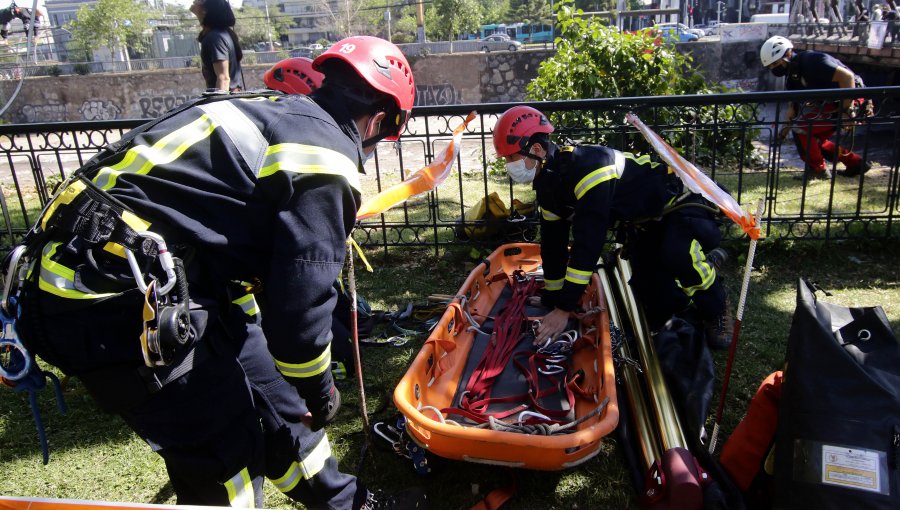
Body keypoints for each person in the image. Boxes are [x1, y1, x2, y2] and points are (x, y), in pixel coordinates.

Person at [8, 36, 424, 510]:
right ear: (378, 120)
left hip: (155, 280)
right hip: (109, 303)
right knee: (225, 458)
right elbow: (299, 308)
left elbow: (242, 256)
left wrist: (294, 385)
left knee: (281, 405)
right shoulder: (326, 155)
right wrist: (319, 385)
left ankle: (347, 505)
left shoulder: (274, 112)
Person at [491, 106, 732, 349]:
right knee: (653, 295)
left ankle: (716, 308)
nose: (508, 165)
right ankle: (705, 265)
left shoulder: (588, 169)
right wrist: (552, 297)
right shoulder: (548, 184)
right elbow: (554, 246)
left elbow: (588, 244)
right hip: (645, 222)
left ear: (536, 150)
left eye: (511, 158)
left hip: (678, 204)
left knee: (677, 253)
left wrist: (564, 309)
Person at [760, 36, 870, 180]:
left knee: (803, 129)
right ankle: (855, 163)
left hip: (852, 100)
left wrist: (846, 112)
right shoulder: (793, 78)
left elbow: (847, 78)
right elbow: (793, 109)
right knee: (813, 140)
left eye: (775, 63)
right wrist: (783, 133)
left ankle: (818, 170)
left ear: (788, 54)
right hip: (834, 104)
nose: (774, 68)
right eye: (771, 67)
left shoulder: (813, 61)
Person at [191, 0, 243, 92]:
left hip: (226, 98)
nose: (195, 1)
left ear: (205, 10)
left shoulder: (215, 38)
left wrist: (219, 105)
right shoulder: (222, 33)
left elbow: (223, 78)